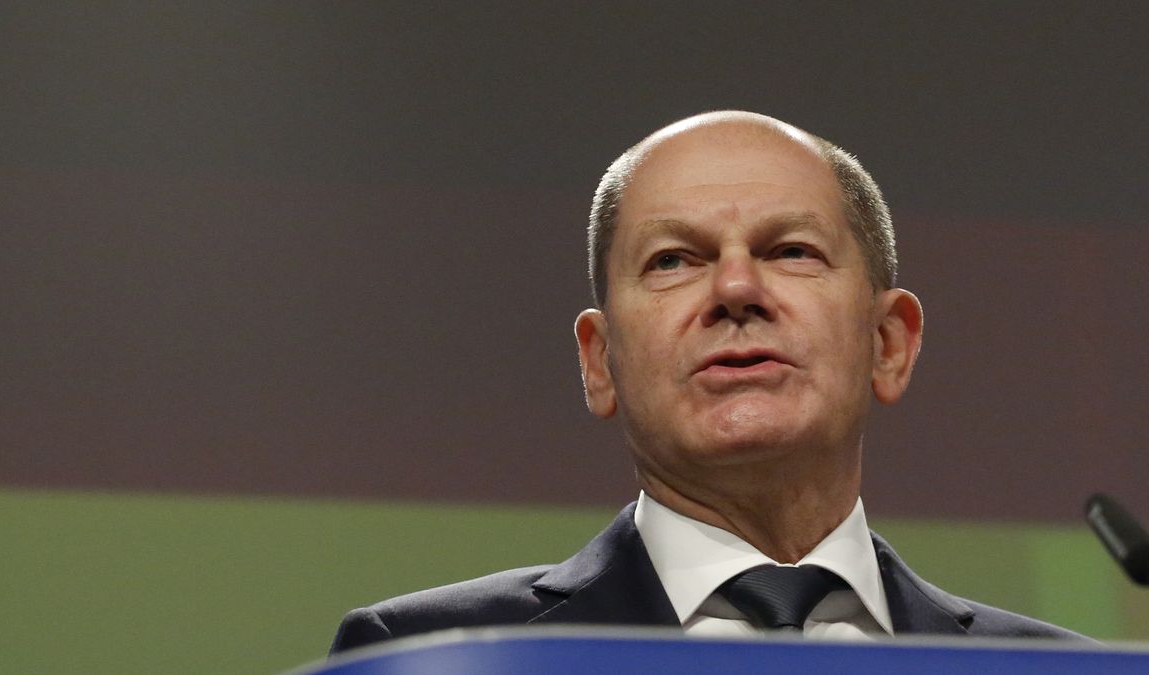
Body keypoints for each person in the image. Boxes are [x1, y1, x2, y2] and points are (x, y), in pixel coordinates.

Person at [329, 111, 1085, 653]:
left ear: (888, 343)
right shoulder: (432, 657)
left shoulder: (1059, 670)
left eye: (790, 250)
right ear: (599, 361)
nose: (734, 286)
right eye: (672, 261)